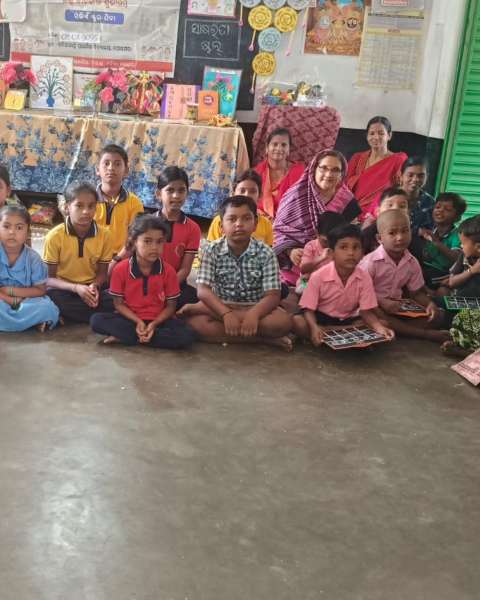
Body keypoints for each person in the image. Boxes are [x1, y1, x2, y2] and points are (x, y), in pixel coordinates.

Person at [180, 196, 293, 350]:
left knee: (283, 322)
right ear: (221, 226)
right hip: (221, 305)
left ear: (255, 224)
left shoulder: (266, 253)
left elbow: (273, 295)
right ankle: (262, 339)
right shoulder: (211, 250)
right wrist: (226, 314)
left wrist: (253, 315)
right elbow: (203, 290)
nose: (239, 224)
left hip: (255, 306)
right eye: (232, 219)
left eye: (246, 218)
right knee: (194, 325)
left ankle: (206, 311)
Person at [91, 215, 195, 348]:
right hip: (130, 319)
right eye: (147, 241)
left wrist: (154, 324)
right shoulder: (120, 269)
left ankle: (130, 337)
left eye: (159, 242)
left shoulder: (169, 271)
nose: (154, 247)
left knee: (187, 335)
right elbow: (118, 304)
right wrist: (138, 322)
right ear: (134, 241)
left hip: (159, 320)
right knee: (96, 320)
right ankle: (146, 337)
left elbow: (171, 306)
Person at [293, 223, 394, 346]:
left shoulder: (364, 277)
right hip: (321, 317)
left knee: (382, 324)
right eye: (344, 247)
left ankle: (328, 332)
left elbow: (366, 312)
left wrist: (379, 328)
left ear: (362, 253)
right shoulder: (318, 276)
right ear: (332, 253)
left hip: (348, 319)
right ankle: (324, 331)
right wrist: (314, 326)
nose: (351, 253)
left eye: (356, 247)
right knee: (298, 323)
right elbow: (308, 309)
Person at [273, 149, 361, 287]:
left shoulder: (347, 200)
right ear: (314, 169)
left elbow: (352, 237)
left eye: (335, 170)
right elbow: (278, 231)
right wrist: (290, 251)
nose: (328, 174)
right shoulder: (296, 196)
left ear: (342, 174)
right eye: (323, 168)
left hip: (333, 266)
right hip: (296, 265)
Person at [359, 210, 448, 342]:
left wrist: (430, 304)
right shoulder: (370, 262)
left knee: (438, 315)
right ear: (379, 238)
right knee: (381, 319)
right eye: (392, 233)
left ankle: (402, 330)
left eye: (405, 231)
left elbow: (416, 294)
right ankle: (424, 334)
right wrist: (382, 301)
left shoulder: (412, 262)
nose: (400, 237)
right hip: (373, 307)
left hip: (397, 308)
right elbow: (359, 293)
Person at [44, 182, 114, 323]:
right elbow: (49, 279)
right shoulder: (55, 236)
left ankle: (69, 316)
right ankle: (94, 315)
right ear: (67, 207)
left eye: (91, 206)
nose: (86, 211)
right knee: (52, 298)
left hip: (90, 287)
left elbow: (102, 274)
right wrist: (76, 288)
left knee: (116, 298)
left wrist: (95, 286)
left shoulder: (105, 235)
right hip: (64, 288)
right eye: (79, 206)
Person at [0, 205, 59, 332]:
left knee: (46, 307)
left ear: (28, 232)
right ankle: (31, 322)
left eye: (19, 227)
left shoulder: (33, 258)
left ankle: (20, 321)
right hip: (2, 300)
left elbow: (40, 290)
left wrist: (10, 291)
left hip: (25, 301)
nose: (12, 232)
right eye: (6, 226)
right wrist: (10, 300)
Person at [152, 167, 201, 308]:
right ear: (158, 194)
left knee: (200, 301)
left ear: (187, 193)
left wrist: (166, 289)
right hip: (146, 282)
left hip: (176, 285)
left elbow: (185, 270)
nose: (176, 195)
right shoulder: (147, 223)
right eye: (170, 190)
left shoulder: (193, 228)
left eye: (181, 190)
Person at [346, 116, 408, 220]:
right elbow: (344, 188)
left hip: (379, 215)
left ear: (389, 136)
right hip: (351, 213)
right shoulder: (357, 158)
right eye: (372, 133)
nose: (376, 137)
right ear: (367, 136)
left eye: (381, 133)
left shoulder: (398, 160)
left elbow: (401, 190)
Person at [440, 216, 480, 356]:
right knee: (440, 305)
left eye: (463, 243)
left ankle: (465, 350)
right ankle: (461, 344)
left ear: (478, 247)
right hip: (459, 303)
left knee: (467, 318)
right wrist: (472, 271)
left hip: (475, 309)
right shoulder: (464, 257)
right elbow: (452, 282)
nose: (461, 247)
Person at [95, 144, 144, 257]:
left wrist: (117, 260)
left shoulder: (134, 203)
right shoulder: (88, 199)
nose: (111, 168)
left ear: (126, 171)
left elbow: (135, 238)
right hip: (90, 256)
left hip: (121, 258)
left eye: (117, 164)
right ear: (97, 170)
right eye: (106, 163)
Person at [207, 169, 273, 246]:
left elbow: (269, 250)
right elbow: (210, 249)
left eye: (252, 191)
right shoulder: (219, 221)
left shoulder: (266, 224)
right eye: (242, 190)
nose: (247, 195)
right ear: (233, 193)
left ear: (260, 195)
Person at [254, 128, 304, 220]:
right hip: (260, 220)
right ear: (267, 148)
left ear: (289, 150)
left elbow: (302, 202)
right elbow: (250, 200)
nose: (279, 148)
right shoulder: (257, 172)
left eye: (284, 145)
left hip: (290, 221)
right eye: (275, 144)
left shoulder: (299, 172)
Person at [419, 192, 466, 288]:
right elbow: (427, 255)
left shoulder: (457, 235)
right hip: (427, 267)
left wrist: (436, 242)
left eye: (447, 209)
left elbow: (457, 258)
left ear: (457, 218)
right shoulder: (432, 231)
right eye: (437, 207)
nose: (440, 210)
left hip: (443, 273)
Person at [296, 211, 345, 293]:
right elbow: (303, 269)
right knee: (303, 285)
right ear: (317, 233)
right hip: (310, 282)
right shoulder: (311, 246)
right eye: (325, 241)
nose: (329, 245)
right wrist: (321, 258)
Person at [361, 186, 410, 254]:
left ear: (408, 213)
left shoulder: (410, 235)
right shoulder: (366, 235)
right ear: (378, 212)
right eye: (390, 205)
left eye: (402, 206)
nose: (395, 209)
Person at [398, 156, 435, 235]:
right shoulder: (388, 197)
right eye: (410, 175)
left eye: (421, 176)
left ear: (427, 177)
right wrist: (417, 231)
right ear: (401, 176)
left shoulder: (430, 203)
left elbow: (430, 231)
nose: (415, 179)